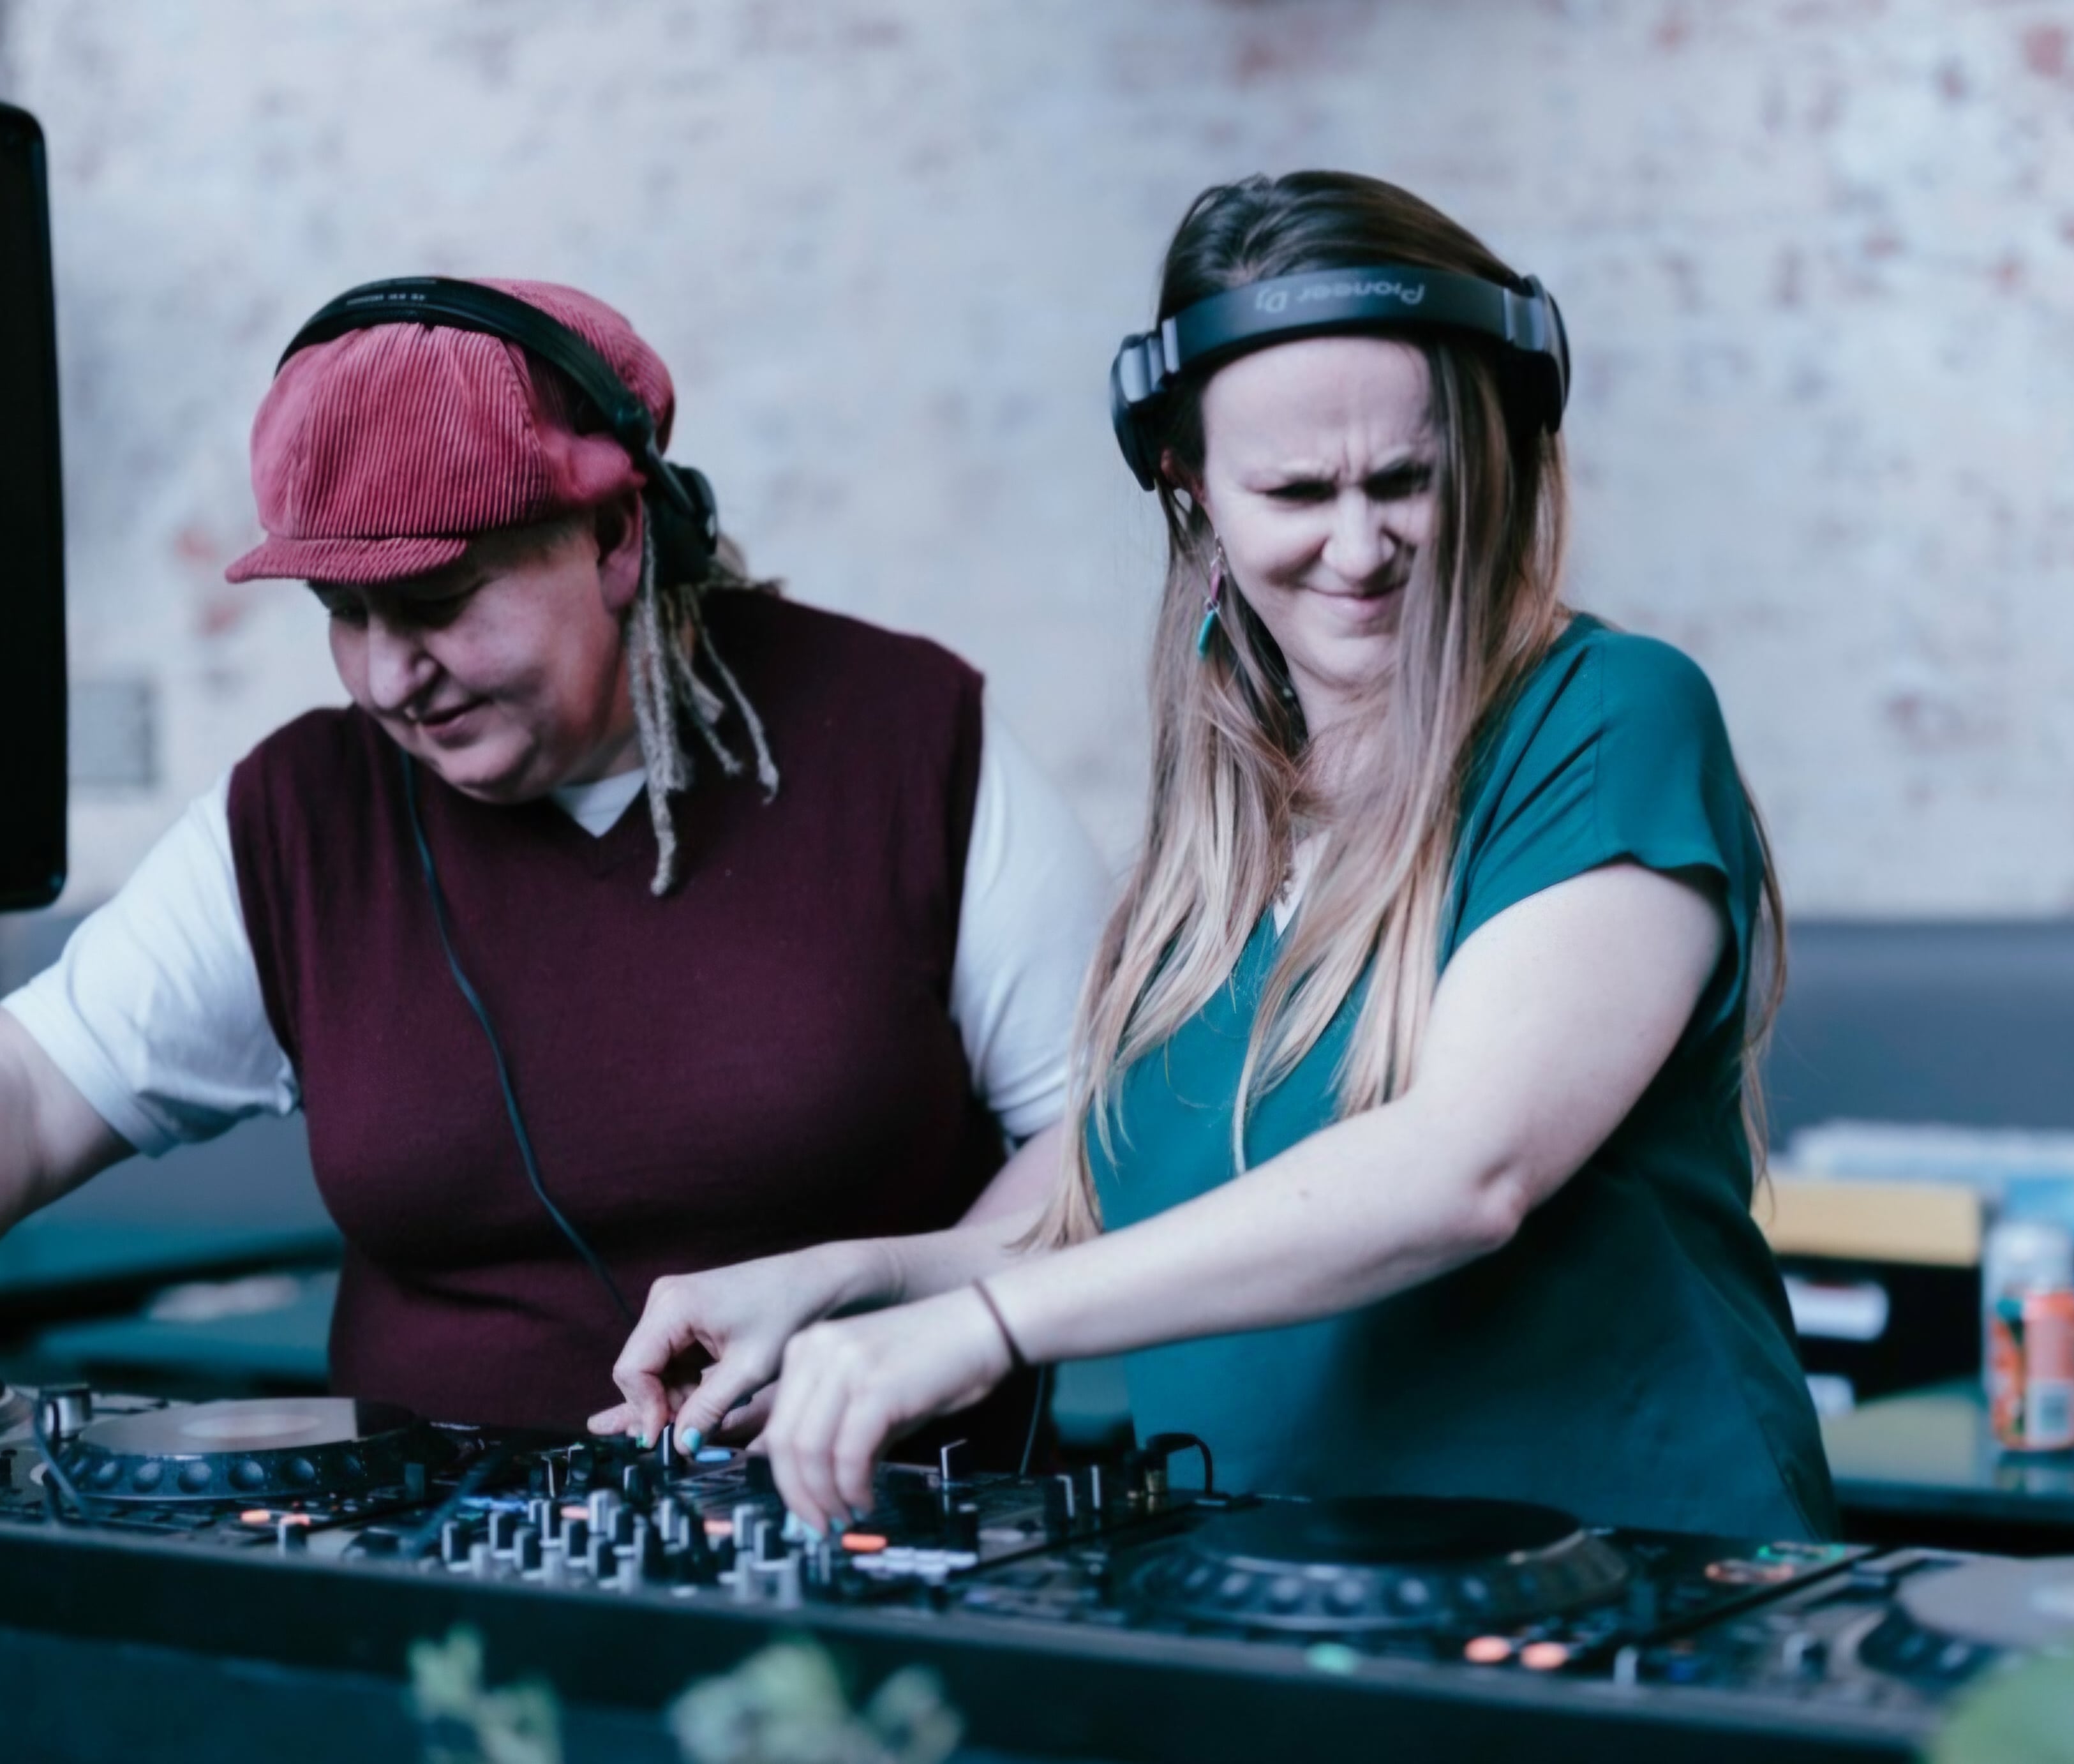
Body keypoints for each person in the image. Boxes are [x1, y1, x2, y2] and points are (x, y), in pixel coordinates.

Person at [0, 277, 1107, 1470]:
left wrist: (907, 1300)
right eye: (345, 610)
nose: (390, 676)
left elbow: (1099, 1136)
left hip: (880, 1543)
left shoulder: (910, 738)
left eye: (441, 601)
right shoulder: (300, 813)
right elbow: (27, 1084)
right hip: (412, 1591)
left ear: (614, 535)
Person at [602, 174, 1839, 1543]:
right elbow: (1124, 1218)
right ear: (1188, 486)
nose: (1360, 546)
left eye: (1409, 480)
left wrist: (987, 1325)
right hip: (1289, 1581)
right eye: (1296, 491)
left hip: (1625, 1583)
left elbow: (1462, 1169)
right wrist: (850, 1285)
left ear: (1494, 455)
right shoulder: (1226, 822)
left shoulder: (1609, 715)